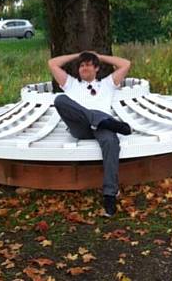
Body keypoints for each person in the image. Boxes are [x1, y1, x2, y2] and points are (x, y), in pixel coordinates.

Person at [48, 50, 132, 217]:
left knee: (110, 143)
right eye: (81, 65)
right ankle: (99, 119)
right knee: (60, 100)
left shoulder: (107, 84)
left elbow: (126, 63)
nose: (84, 67)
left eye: (88, 64)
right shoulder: (71, 84)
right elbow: (53, 63)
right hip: (81, 126)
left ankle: (110, 195)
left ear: (97, 69)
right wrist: (79, 54)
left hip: (104, 128)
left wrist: (98, 56)